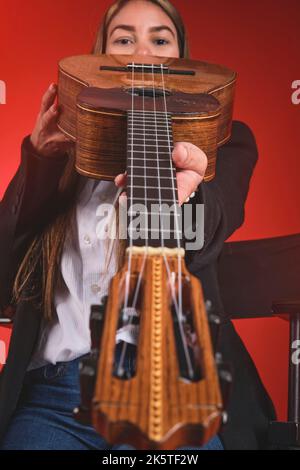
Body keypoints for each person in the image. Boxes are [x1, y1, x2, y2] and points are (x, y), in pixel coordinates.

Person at [0, 0, 275, 450]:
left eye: (160, 40)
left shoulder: (225, 141)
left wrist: (187, 190)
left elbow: (209, 226)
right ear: (100, 56)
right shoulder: (62, 161)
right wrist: (39, 164)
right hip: (54, 402)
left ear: (184, 60)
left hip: (174, 392)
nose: (142, 53)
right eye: (124, 39)